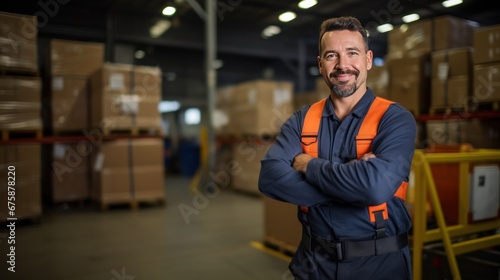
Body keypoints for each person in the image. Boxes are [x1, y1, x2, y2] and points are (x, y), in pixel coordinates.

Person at [258, 16, 416, 280]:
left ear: (367, 59)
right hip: (313, 266)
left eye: (352, 53)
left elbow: (374, 187)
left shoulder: (394, 118)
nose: (343, 65)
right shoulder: (301, 120)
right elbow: (270, 178)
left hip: (380, 266)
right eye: (332, 55)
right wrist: (353, 188)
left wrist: (309, 164)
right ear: (321, 65)